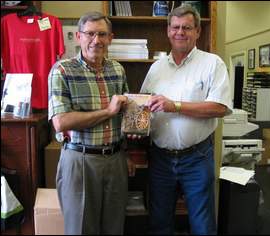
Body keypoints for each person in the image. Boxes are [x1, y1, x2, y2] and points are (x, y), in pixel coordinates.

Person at [140, 4, 233, 235]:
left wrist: (176, 106)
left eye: (187, 28)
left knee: (203, 225)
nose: (180, 32)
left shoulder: (213, 64)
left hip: (197, 158)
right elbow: (142, 106)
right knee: (159, 223)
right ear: (168, 31)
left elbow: (220, 108)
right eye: (175, 27)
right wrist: (137, 126)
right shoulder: (156, 68)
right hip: (160, 158)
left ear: (198, 32)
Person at [48, 12, 135, 235]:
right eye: (90, 34)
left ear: (111, 38)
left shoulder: (117, 70)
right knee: (81, 230)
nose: (96, 40)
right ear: (78, 36)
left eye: (102, 34)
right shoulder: (62, 71)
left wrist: (127, 148)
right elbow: (61, 122)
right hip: (80, 161)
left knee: (114, 228)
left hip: (115, 160)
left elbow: (123, 115)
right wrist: (108, 111)